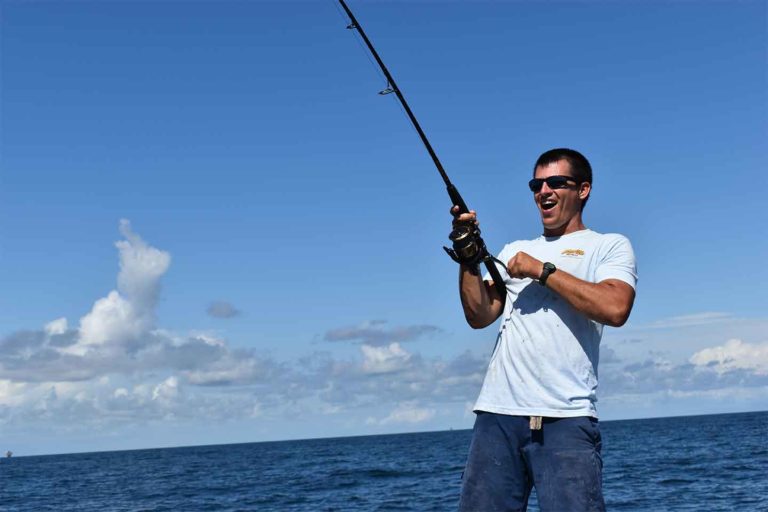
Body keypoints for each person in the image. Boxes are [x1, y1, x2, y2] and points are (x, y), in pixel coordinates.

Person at [453, 148, 637, 512]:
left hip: (565, 419)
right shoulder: (516, 249)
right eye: (537, 184)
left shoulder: (608, 245)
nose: (544, 191)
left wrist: (543, 270)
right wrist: (468, 259)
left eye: (556, 182)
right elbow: (479, 313)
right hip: (497, 416)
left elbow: (616, 308)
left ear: (583, 189)